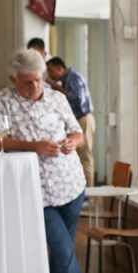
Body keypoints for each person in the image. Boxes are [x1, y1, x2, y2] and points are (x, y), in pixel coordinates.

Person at [0, 48, 99, 273]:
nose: (35, 86)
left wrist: (71, 142)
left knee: (59, 258)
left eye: (38, 80)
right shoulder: (3, 101)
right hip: (36, 192)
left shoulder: (57, 97)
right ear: (13, 79)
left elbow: (77, 131)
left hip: (71, 185)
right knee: (64, 251)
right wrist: (34, 145)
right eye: (27, 82)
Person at [45, 56, 96, 187]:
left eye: (50, 70)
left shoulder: (73, 77)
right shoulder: (67, 79)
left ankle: (88, 193)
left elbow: (77, 99)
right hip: (78, 119)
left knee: (85, 157)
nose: (49, 74)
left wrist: (56, 87)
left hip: (83, 119)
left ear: (59, 68)